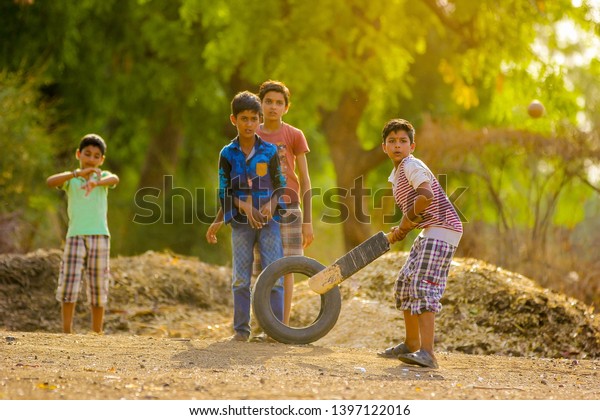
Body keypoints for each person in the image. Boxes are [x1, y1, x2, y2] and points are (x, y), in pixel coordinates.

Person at [207, 80, 314, 327]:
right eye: (268, 102)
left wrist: (307, 221)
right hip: (251, 213)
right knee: (256, 271)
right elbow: (230, 185)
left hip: (286, 208)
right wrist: (226, 214)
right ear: (259, 107)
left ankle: (281, 326)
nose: (273, 107)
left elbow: (304, 179)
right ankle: (259, 325)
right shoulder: (249, 136)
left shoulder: (292, 135)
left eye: (279, 103)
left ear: (287, 107)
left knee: (284, 268)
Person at [378, 118, 462, 368]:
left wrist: (405, 224)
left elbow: (426, 196)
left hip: (442, 230)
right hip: (429, 230)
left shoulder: (410, 165)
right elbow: (418, 210)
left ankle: (428, 353)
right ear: (384, 147)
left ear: (412, 146)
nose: (397, 145)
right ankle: (411, 343)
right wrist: (403, 227)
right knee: (405, 282)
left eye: (403, 141)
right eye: (392, 141)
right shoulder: (397, 174)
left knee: (423, 285)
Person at [217, 91, 287, 342]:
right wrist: (244, 207)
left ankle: (274, 332)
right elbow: (224, 190)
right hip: (240, 224)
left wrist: (273, 203)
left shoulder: (269, 151)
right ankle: (241, 330)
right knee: (240, 277)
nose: (249, 124)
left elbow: (281, 184)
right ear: (233, 119)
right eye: (243, 118)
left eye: (253, 119)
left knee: (274, 275)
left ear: (259, 120)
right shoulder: (227, 153)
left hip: (270, 223)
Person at [46, 134, 119, 334]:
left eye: (96, 156)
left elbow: (115, 179)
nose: (91, 159)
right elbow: (51, 181)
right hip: (75, 235)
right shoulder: (72, 180)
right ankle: (66, 331)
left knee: (98, 282)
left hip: (100, 236)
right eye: (87, 154)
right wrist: (76, 174)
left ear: (101, 160)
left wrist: (96, 182)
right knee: (69, 281)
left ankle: (97, 332)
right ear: (78, 154)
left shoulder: (103, 178)